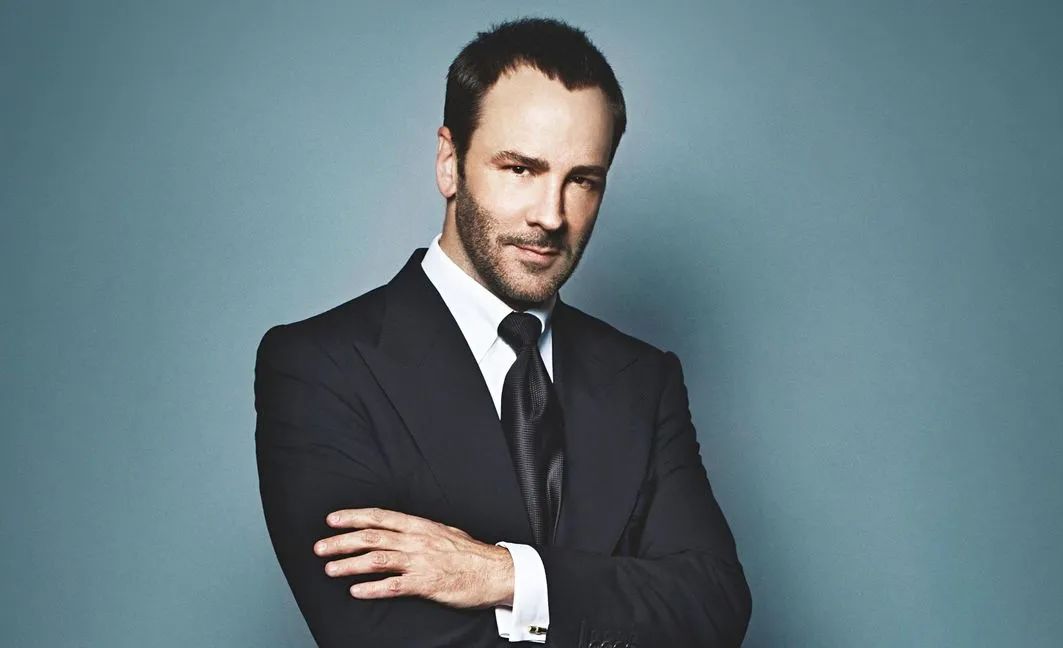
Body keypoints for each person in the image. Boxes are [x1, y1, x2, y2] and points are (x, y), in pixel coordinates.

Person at [254, 17, 751, 648]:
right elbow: (383, 635)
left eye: (583, 180)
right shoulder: (320, 366)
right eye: (520, 169)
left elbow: (712, 607)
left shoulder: (644, 380)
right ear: (449, 162)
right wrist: (608, 600)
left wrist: (507, 576)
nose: (551, 215)